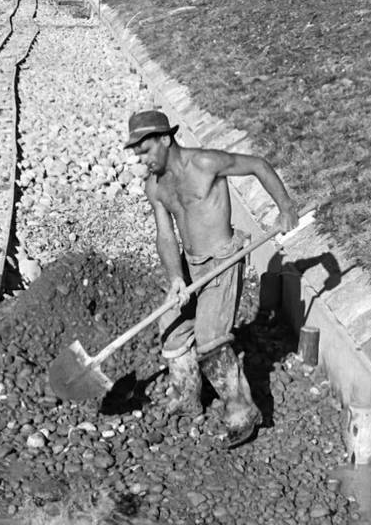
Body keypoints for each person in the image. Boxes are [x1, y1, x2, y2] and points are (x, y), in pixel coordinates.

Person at [124, 110, 299, 448]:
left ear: (164, 139)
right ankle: (188, 395)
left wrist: (285, 207)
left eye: (144, 151)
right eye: (136, 154)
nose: (141, 160)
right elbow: (165, 237)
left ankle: (242, 412)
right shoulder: (155, 186)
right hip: (189, 267)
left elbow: (258, 164)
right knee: (171, 330)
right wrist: (176, 278)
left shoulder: (205, 163)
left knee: (211, 340)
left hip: (222, 259)